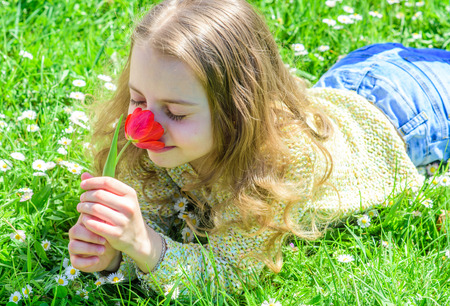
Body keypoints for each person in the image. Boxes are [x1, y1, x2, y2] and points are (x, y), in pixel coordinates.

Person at [67, 0, 449, 296]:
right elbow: (147, 221)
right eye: (137, 99)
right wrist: (114, 252)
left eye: (176, 112)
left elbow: (231, 274)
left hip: (413, 115)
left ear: (238, 112)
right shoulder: (151, 140)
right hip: (350, 76)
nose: (145, 124)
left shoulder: (281, 163)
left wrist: (143, 245)